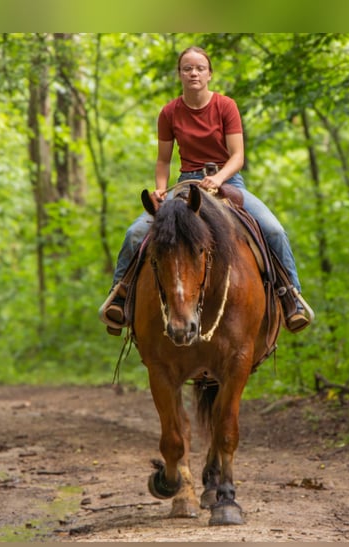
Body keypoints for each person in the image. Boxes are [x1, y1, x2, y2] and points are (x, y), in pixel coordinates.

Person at [101, 46, 312, 334]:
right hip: (186, 183)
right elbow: (163, 160)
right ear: (180, 74)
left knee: (273, 229)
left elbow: (237, 156)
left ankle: (292, 298)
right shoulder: (169, 112)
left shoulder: (226, 106)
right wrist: (160, 190)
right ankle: (120, 297)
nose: (193, 73)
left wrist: (219, 178)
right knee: (135, 232)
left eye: (200, 68)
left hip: (228, 183)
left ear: (209, 74)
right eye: (187, 68)